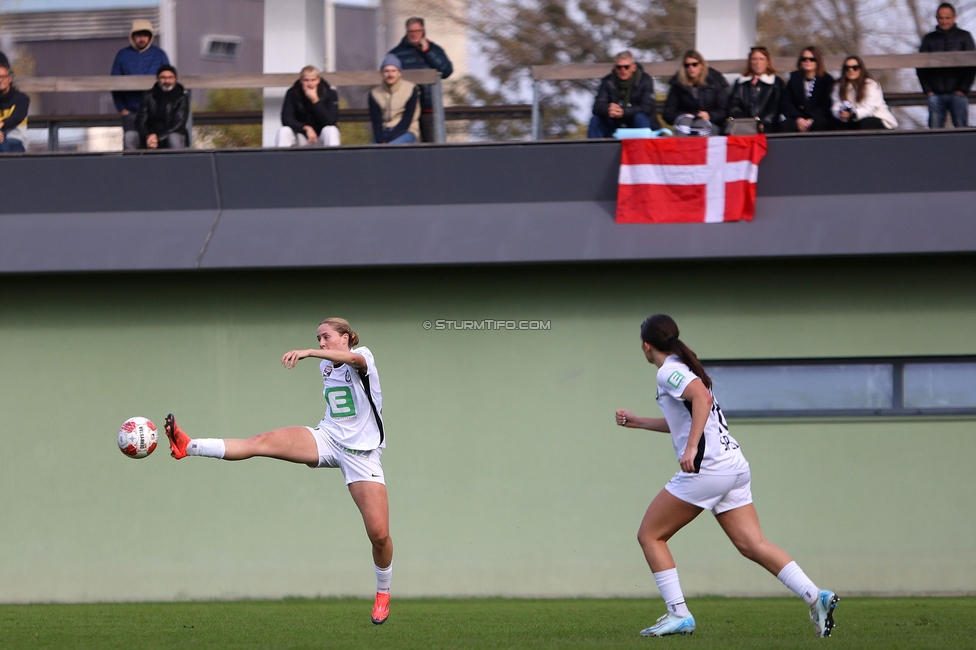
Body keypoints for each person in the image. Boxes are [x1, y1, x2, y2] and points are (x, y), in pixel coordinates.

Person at [615, 314, 838, 638]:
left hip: (709, 469)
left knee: (650, 535)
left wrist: (691, 449)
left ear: (646, 346)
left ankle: (678, 614)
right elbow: (688, 417)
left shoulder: (669, 371)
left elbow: (701, 400)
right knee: (753, 544)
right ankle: (816, 596)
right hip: (733, 467)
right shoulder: (685, 368)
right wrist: (639, 422)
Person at [164, 318, 393, 625]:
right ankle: (189, 446)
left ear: (346, 337)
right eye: (318, 338)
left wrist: (310, 351)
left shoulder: (362, 356)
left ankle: (382, 592)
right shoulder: (325, 367)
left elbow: (352, 359)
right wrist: (316, 355)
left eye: (326, 337)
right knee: (259, 443)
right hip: (327, 438)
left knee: (379, 536)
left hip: (362, 456)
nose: (322, 342)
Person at [387, 17, 453, 142]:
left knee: (433, 147)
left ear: (423, 31)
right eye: (411, 31)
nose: (414, 34)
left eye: (417, 31)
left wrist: (427, 52)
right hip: (404, 110)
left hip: (429, 108)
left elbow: (447, 71)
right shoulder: (396, 54)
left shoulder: (434, 50)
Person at [111, 20, 170, 146]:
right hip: (131, 111)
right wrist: (122, 108)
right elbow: (113, 83)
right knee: (130, 139)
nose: (141, 38)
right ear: (132, 36)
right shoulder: (122, 55)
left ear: (150, 36)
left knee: (159, 143)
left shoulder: (160, 55)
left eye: (145, 34)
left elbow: (168, 81)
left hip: (156, 113)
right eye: (138, 35)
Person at [918, 2, 976, 128]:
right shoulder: (929, 39)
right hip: (935, 94)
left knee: (961, 130)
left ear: (954, 17)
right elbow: (920, 66)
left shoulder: (964, 37)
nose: (944, 21)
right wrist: (928, 90)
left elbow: (972, 65)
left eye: (947, 18)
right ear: (936, 18)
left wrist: (963, 89)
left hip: (958, 93)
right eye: (941, 18)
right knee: (934, 132)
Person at [588, 51, 660, 138]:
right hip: (614, 124)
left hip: (636, 123)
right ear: (615, 68)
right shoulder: (607, 81)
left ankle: (643, 149)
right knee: (595, 120)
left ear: (633, 67)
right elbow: (597, 106)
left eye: (626, 67)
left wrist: (624, 111)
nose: (623, 70)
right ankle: (595, 150)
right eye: (619, 67)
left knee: (641, 118)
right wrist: (608, 109)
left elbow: (647, 107)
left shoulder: (645, 80)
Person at [662, 49, 729, 136]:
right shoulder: (678, 84)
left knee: (701, 125)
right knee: (684, 123)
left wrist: (710, 116)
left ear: (701, 65)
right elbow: (668, 113)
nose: (691, 68)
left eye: (694, 64)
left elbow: (725, 110)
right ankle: (682, 149)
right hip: (687, 124)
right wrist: (685, 115)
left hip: (711, 124)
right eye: (687, 65)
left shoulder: (715, 81)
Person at [276, 65, 340, 147]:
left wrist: (315, 101)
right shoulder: (293, 93)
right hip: (301, 135)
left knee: (331, 130)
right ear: (301, 81)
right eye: (306, 80)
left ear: (318, 80)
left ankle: (334, 159)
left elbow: (331, 121)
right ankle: (281, 159)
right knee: (284, 131)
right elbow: (286, 119)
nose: (310, 84)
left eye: (313, 80)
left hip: (321, 136)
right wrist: (306, 128)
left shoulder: (329, 93)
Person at [128, 64, 188, 150]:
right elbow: (140, 120)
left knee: (174, 138)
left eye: (170, 77)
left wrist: (159, 138)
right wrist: (148, 136)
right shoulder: (148, 95)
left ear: (175, 79)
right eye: (163, 77)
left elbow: (179, 124)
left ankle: (177, 163)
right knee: (130, 136)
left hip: (168, 135)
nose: (166, 81)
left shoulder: (181, 97)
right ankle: (130, 163)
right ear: (158, 79)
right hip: (149, 136)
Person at [726, 46, 785, 133]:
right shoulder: (740, 83)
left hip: (769, 127)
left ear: (767, 62)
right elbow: (734, 105)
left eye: (761, 59)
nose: (758, 62)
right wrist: (746, 122)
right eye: (754, 59)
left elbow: (777, 107)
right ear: (750, 62)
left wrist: (764, 123)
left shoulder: (776, 83)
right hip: (743, 127)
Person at [832, 56, 897, 130]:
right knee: (835, 123)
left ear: (861, 69)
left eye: (855, 68)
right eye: (847, 68)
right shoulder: (839, 86)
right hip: (852, 120)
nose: (851, 70)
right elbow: (836, 106)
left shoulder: (871, 84)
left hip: (876, 118)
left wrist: (854, 113)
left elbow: (870, 108)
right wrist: (841, 114)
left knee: (866, 122)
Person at [368, 54, 420, 145]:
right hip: (384, 131)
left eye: (393, 71)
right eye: (386, 71)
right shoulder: (374, 93)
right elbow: (376, 121)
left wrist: (389, 139)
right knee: (373, 150)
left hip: (407, 131)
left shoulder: (411, 89)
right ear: (382, 73)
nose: (390, 74)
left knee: (391, 147)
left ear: (399, 73)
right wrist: (381, 140)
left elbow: (408, 119)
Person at [781, 46, 835, 132]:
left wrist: (812, 119)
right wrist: (798, 118)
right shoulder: (794, 78)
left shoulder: (827, 80)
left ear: (818, 61)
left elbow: (828, 104)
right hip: (798, 119)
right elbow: (786, 102)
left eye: (812, 59)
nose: (807, 61)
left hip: (819, 119)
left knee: (822, 124)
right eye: (804, 59)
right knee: (785, 126)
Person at [0, 62, 29, 153]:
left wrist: (2, 124)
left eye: (3, 77)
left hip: (16, 139)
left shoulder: (22, 99)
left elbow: (16, 118)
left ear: (9, 79)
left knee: (3, 144)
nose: (0, 80)